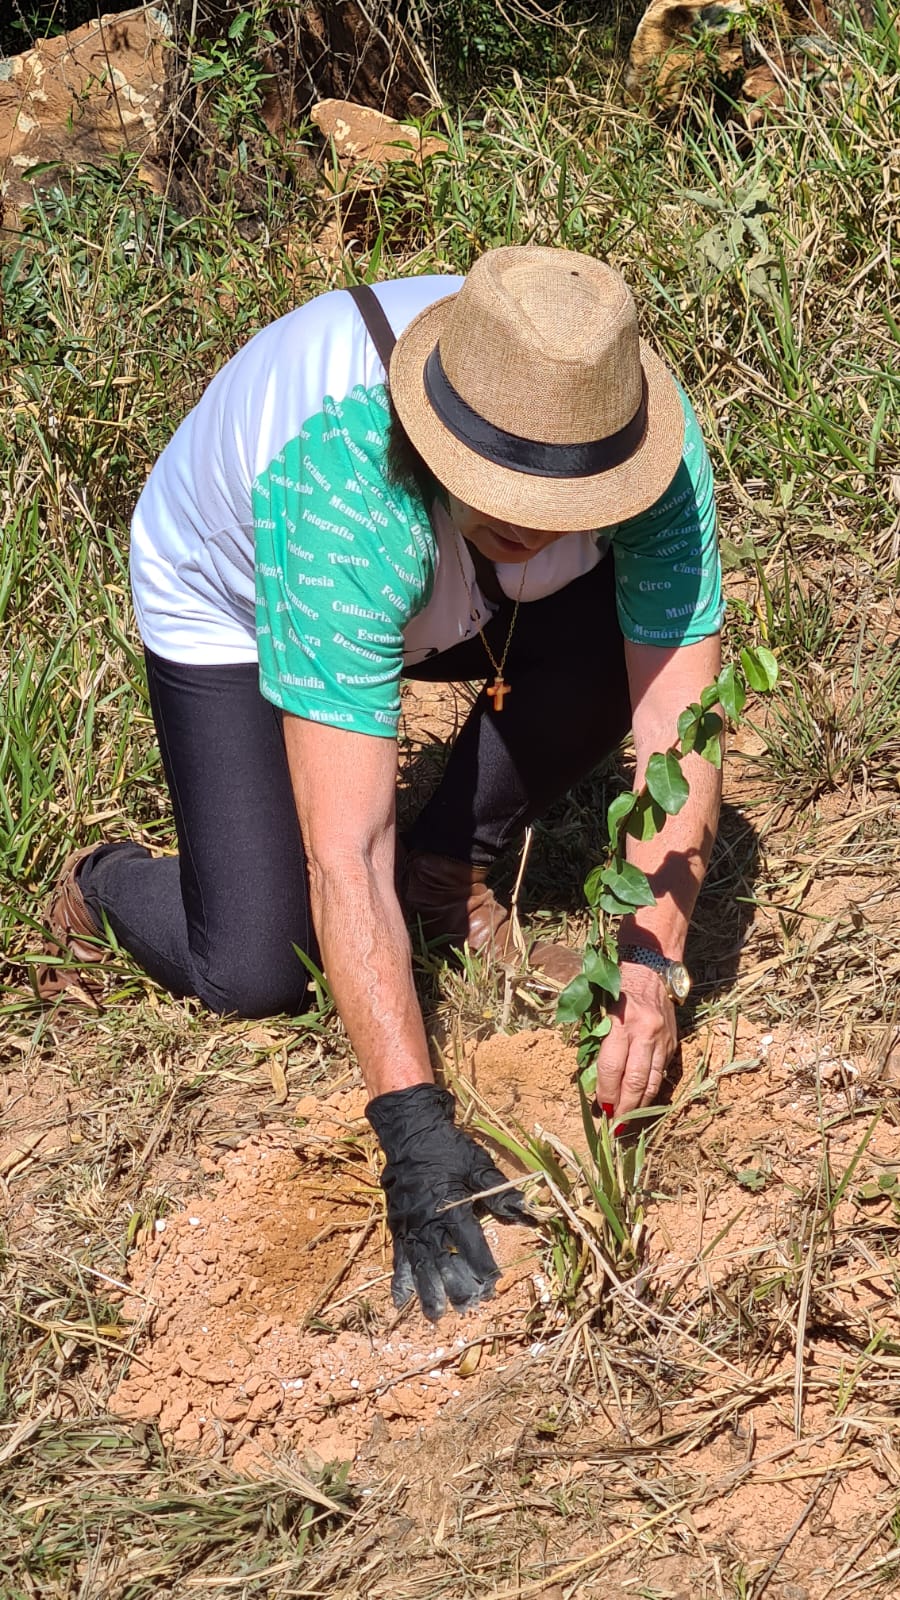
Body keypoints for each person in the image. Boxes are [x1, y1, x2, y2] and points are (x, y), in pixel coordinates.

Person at [37, 246, 723, 1320]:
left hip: (456, 586)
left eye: (557, 498)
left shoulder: (641, 450)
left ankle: (451, 864)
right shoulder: (344, 493)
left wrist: (652, 968)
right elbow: (346, 848)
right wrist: (414, 1126)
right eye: (504, 490)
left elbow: (678, 722)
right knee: (260, 963)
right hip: (238, 594)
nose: (531, 516)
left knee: (615, 641)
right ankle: (106, 881)